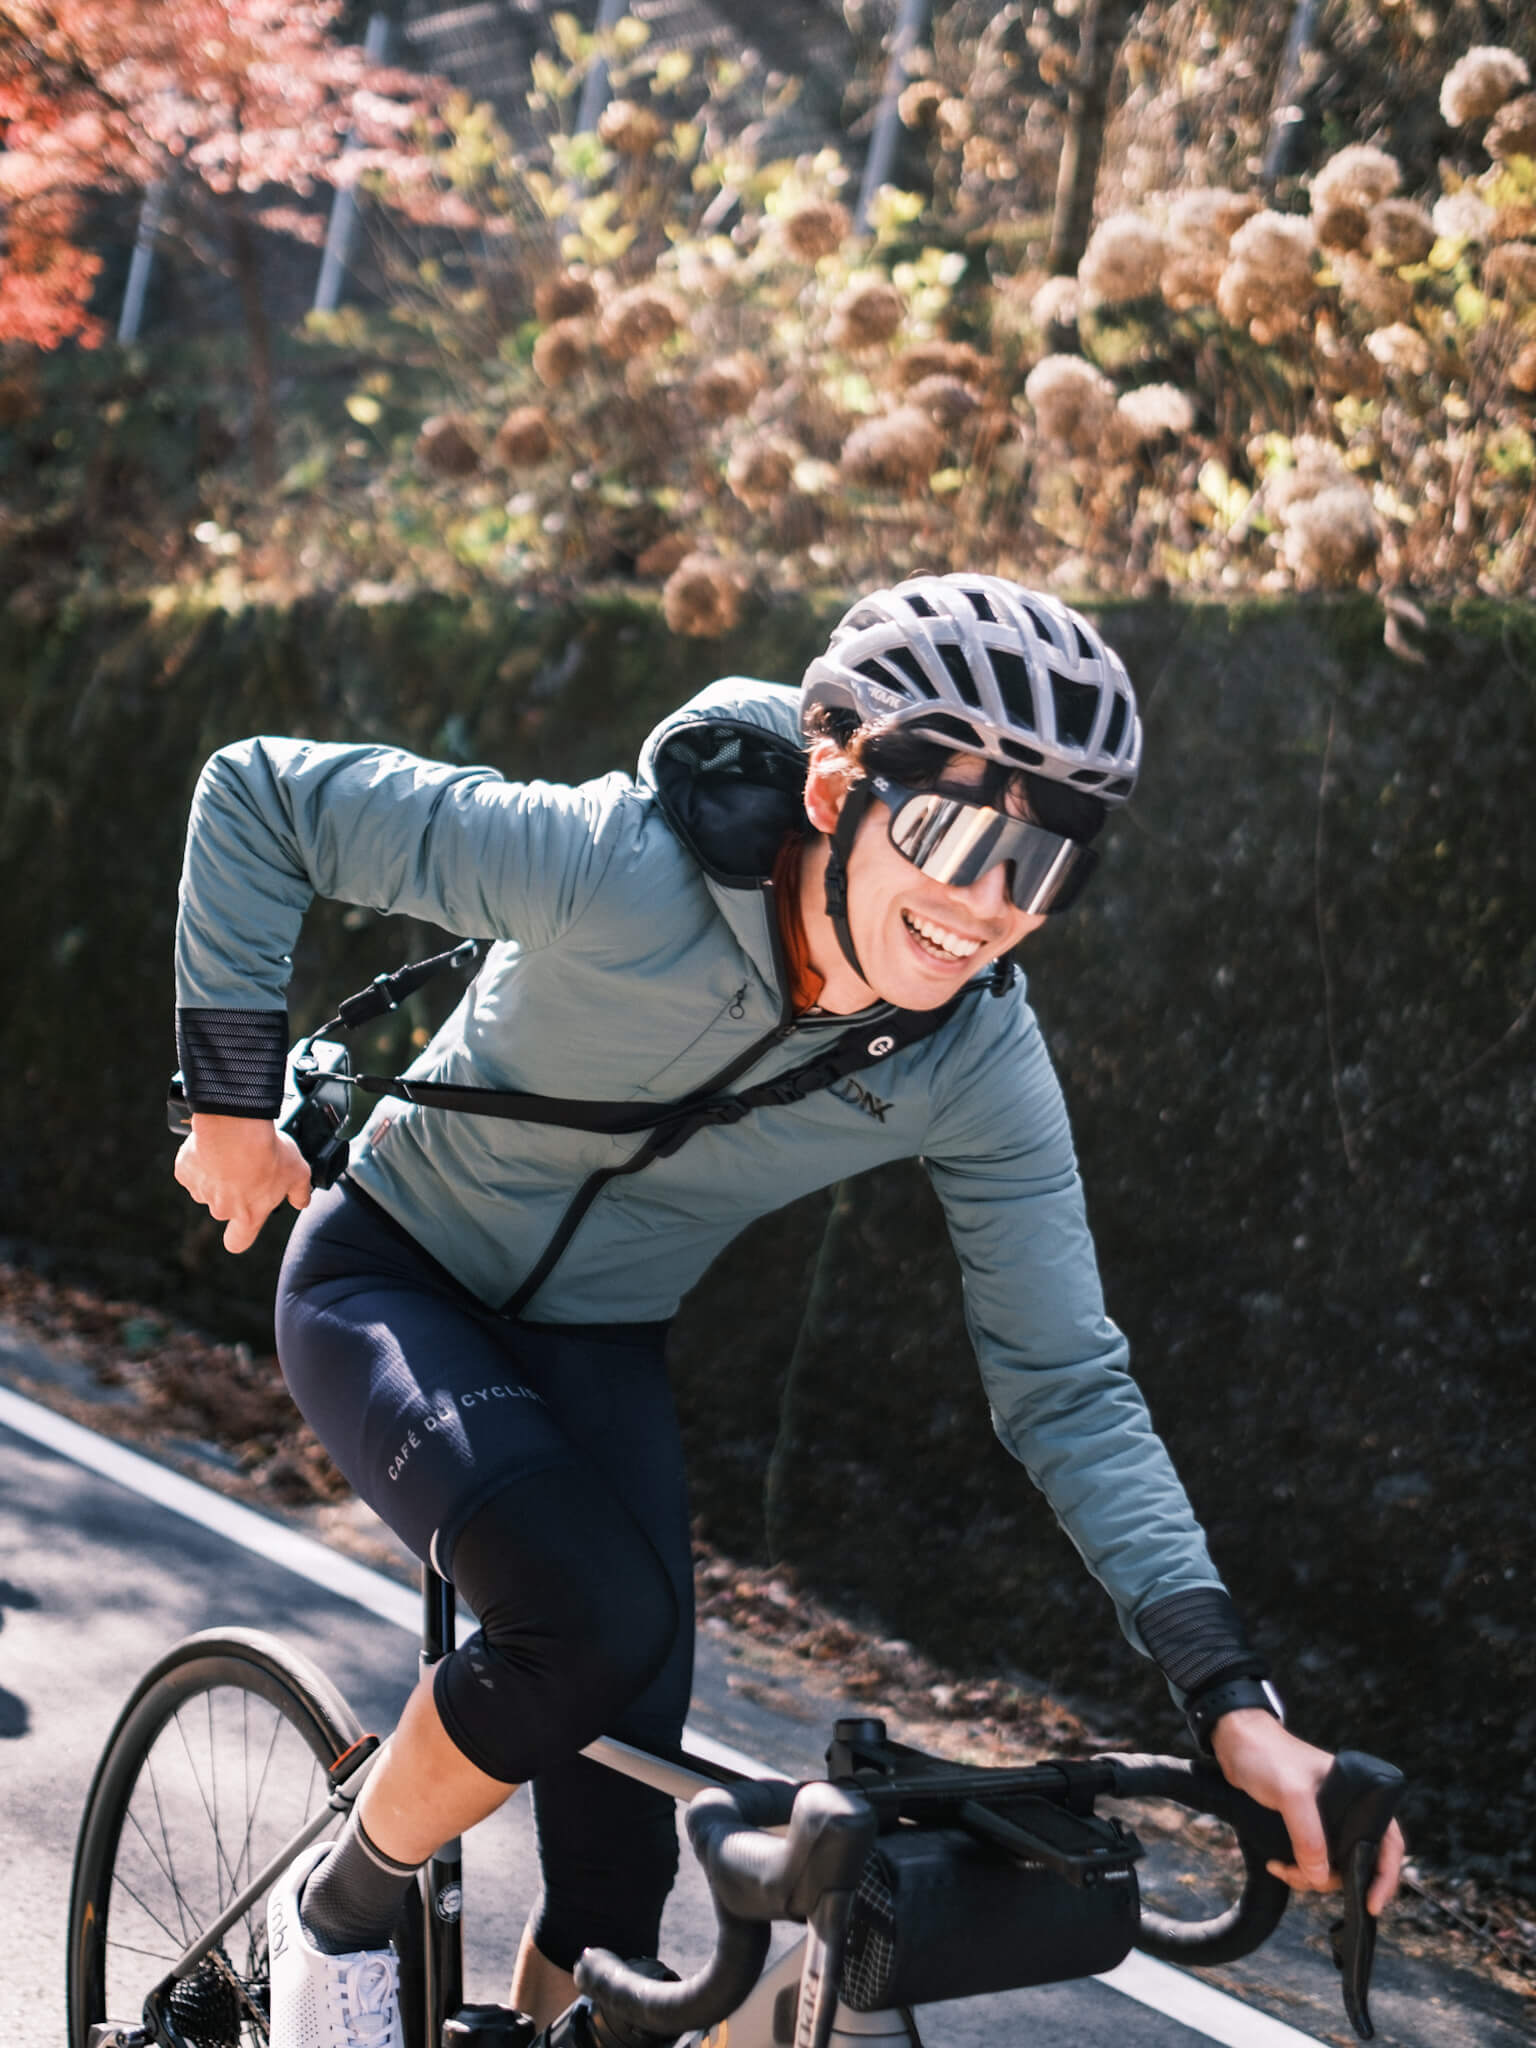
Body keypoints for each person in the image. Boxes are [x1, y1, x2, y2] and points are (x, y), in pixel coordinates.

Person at [172, 575, 1403, 2048]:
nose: (988, 906)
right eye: (954, 833)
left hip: (593, 1351)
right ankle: (345, 1909)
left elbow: (1066, 1386)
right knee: (588, 1621)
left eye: (1044, 865)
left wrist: (1233, 1705)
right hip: (388, 1277)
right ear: (836, 781)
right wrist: (232, 1109)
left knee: (624, 1822)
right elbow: (260, 799)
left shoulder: (979, 1065)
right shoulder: (616, 864)